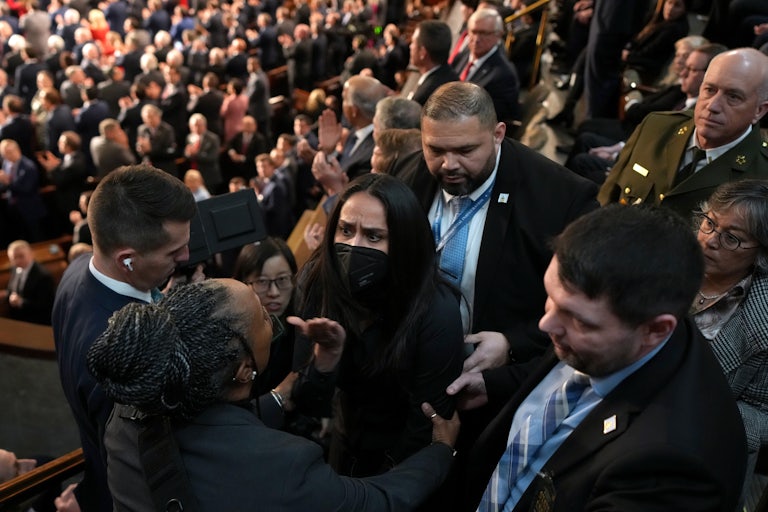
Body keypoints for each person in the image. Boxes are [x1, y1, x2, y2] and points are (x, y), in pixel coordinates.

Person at [451, 204, 748, 511]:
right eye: (550, 298)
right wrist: (495, 384)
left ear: (656, 330)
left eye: (578, 320)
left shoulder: (675, 467)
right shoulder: (623, 321)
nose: (546, 324)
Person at [87, 278, 459, 511]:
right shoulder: (281, 465)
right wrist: (440, 452)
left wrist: (286, 392)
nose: (272, 317)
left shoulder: (128, 410)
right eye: (265, 318)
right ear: (244, 369)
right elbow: (378, 500)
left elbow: (208, 437)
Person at [290, 173, 464, 479]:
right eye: (345, 230)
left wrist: (383, 491)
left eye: (373, 236)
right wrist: (325, 360)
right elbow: (306, 402)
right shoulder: (317, 282)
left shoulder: (436, 308)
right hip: (342, 448)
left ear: (402, 242)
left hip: (401, 464)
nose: (354, 246)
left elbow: (426, 422)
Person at [52, 164, 197, 512]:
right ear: (127, 260)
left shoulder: (78, 270)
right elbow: (142, 458)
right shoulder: (122, 355)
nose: (187, 257)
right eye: (173, 252)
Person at [598, 47, 768, 217]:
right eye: (709, 90)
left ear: (759, 111)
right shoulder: (657, 126)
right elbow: (607, 199)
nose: (712, 106)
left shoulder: (762, 175)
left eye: (733, 97)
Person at [690, 179, 768, 487]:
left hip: (698, 449)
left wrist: (706, 411)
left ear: (760, 251)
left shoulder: (762, 325)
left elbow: (762, 416)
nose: (709, 240)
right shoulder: (666, 260)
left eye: (732, 239)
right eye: (709, 223)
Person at [232, 237, 297, 395]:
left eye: (282, 279)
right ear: (242, 283)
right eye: (262, 282)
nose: (274, 292)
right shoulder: (232, 337)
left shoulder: (303, 330)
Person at [451, 8, 520, 124]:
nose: (477, 39)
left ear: (498, 35)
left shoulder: (504, 75)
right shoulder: (464, 55)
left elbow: (491, 118)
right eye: (473, 32)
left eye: (484, 33)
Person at [1, 239, 55, 325]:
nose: (17, 261)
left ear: (31, 254)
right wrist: (6, 294)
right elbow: (13, 290)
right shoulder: (15, 269)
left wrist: (21, 302)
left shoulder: (43, 276)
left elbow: (45, 306)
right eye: (14, 258)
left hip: (36, 323)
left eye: (21, 256)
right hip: (19, 321)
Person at [407, 21, 459, 105]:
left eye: (413, 42)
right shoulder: (451, 76)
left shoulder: (423, 97)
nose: (410, 46)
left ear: (422, 53)